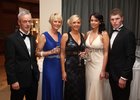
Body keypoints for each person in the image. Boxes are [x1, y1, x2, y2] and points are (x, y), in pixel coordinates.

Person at [5, 9, 40, 100]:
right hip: (19, 80)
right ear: (19, 22)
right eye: (25, 21)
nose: (28, 24)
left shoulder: (33, 38)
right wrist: (13, 81)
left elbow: (32, 58)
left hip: (33, 79)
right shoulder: (11, 39)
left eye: (29, 21)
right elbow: (9, 62)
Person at [107, 8, 136, 100]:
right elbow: (111, 55)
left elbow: (130, 57)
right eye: (112, 19)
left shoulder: (128, 34)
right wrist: (108, 71)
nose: (114, 21)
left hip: (122, 76)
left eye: (117, 18)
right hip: (112, 75)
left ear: (122, 18)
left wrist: (123, 77)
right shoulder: (111, 33)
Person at [36, 13, 63, 100]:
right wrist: (50, 52)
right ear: (51, 22)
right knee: (51, 87)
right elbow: (37, 53)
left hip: (59, 66)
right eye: (55, 21)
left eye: (59, 22)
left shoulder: (61, 36)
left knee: (58, 87)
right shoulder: (44, 36)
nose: (57, 23)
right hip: (49, 66)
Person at [85, 12, 109, 100]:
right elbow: (87, 48)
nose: (93, 22)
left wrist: (103, 70)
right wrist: (85, 53)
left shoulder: (104, 34)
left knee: (96, 87)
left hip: (99, 64)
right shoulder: (88, 33)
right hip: (89, 64)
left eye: (95, 20)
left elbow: (106, 53)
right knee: (89, 86)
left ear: (100, 22)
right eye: (91, 20)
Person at [60, 15, 85, 100]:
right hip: (70, 68)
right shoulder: (65, 36)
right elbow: (62, 54)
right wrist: (63, 72)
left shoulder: (83, 35)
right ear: (70, 24)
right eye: (74, 22)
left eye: (78, 22)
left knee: (80, 90)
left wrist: (85, 53)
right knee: (71, 91)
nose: (76, 24)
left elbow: (84, 50)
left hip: (81, 67)